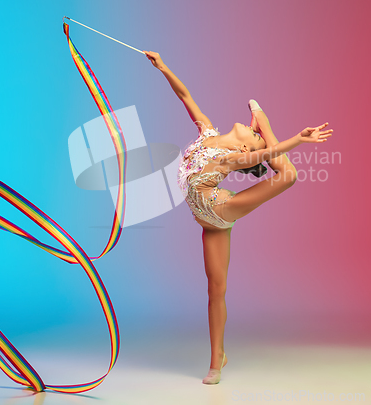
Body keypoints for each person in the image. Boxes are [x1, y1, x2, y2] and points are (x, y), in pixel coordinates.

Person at [143, 50, 333, 384]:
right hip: (207, 223)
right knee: (216, 291)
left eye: (254, 132)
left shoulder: (233, 157)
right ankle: (219, 357)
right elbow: (185, 95)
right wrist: (163, 67)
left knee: (288, 175)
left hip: (219, 208)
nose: (247, 129)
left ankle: (268, 123)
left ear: (246, 151)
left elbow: (265, 154)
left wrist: (296, 140)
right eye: (256, 129)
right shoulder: (207, 133)